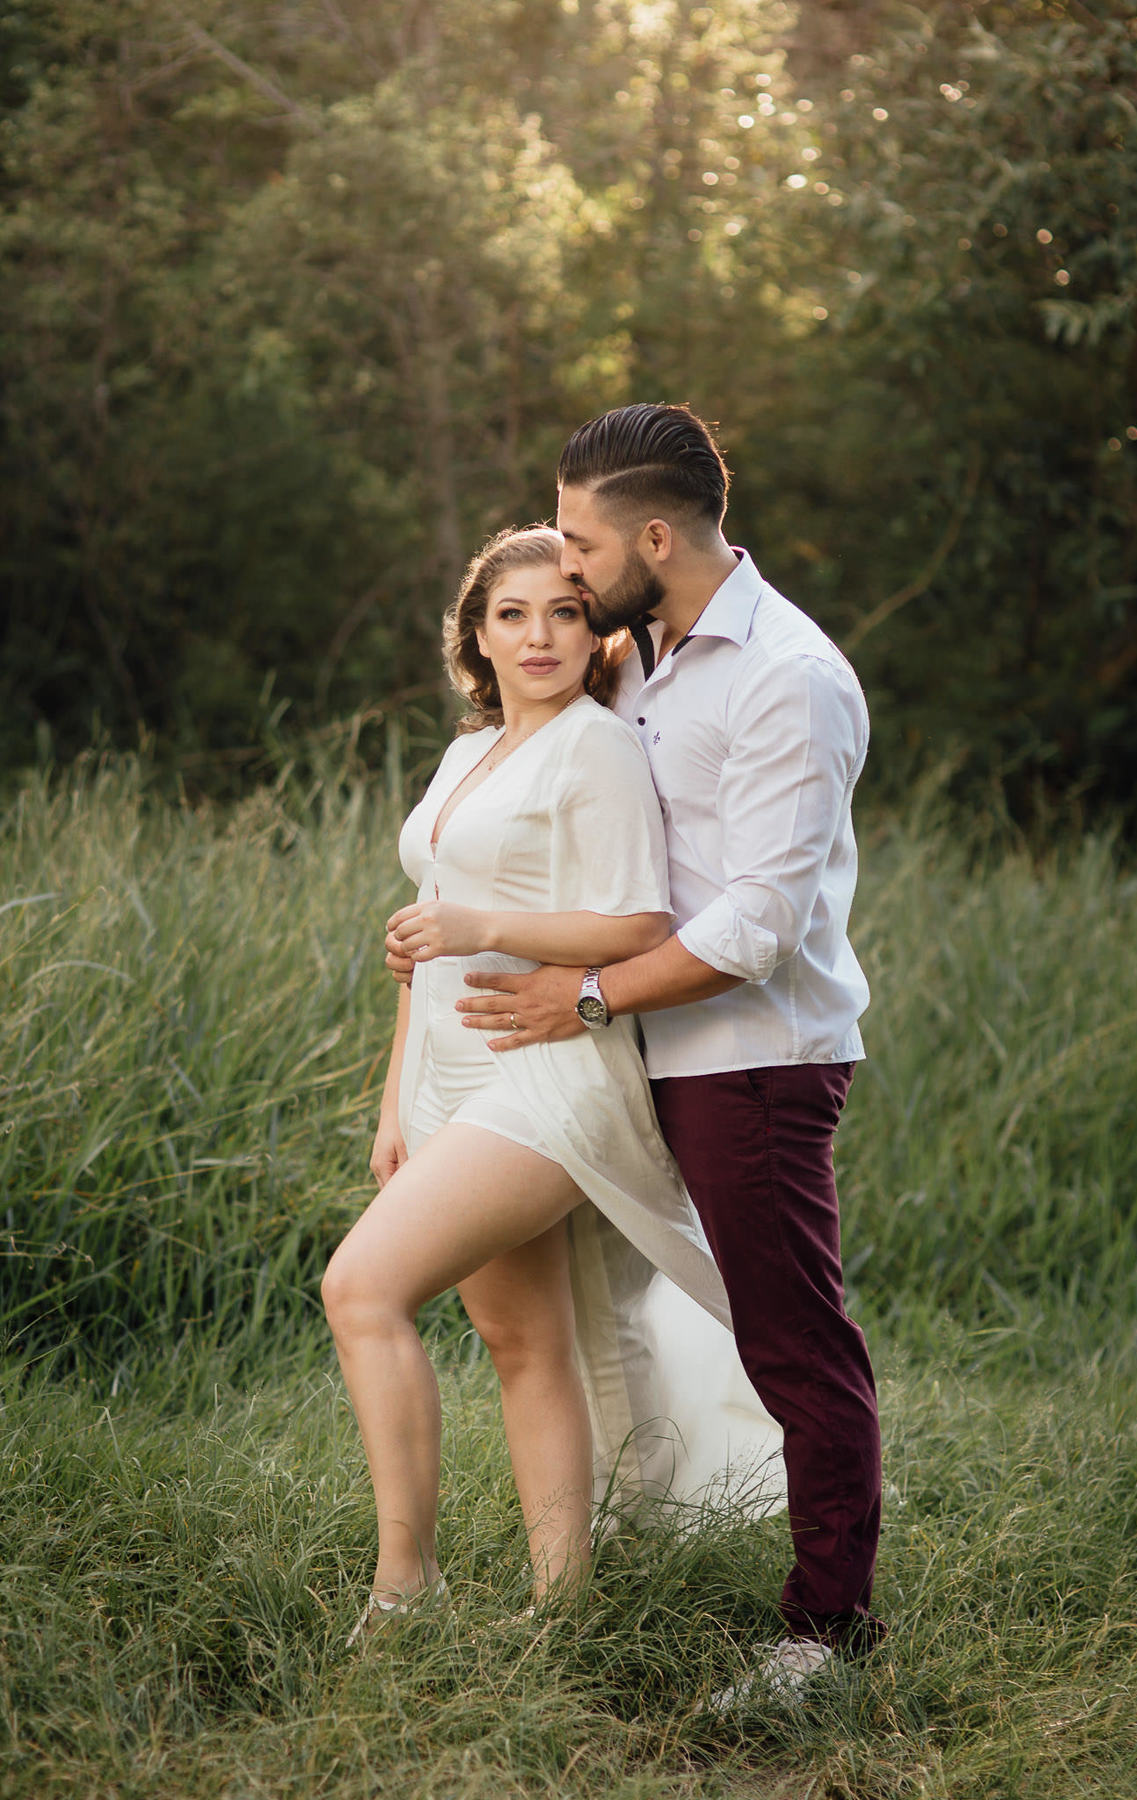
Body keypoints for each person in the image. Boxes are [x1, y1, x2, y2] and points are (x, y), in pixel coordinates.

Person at [453, 405, 885, 1695]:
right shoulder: (642, 653)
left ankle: (827, 1634)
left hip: (746, 1057)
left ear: (653, 535)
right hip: (648, 1045)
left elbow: (756, 924)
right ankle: (640, 1536)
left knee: (794, 1338)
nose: (565, 569)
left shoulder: (789, 678)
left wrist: (580, 995)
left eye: (579, 544)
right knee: (631, 1311)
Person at [325, 525, 783, 1650]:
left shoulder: (596, 747)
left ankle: (404, 1589)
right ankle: (564, 1609)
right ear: (477, 636)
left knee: (361, 1289)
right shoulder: (464, 756)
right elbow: (424, 940)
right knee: (524, 1343)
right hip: (445, 1078)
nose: (539, 635)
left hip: (546, 1076)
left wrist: (487, 924)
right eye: (513, 615)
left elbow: (638, 922)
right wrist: (395, 1102)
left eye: (564, 612)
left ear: (597, 631)